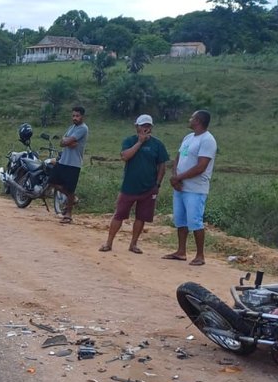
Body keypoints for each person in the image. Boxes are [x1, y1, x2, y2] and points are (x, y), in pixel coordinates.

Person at [100, 114, 168, 253]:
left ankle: (133, 244)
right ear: (136, 126)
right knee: (119, 214)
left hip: (148, 187)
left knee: (141, 217)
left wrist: (157, 184)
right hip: (129, 186)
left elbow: (162, 165)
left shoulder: (158, 145)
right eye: (143, 125)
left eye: (148, 126)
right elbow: (125, 156)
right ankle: (109, 243)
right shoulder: (129, 141)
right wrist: (139, 143)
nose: (146, 128)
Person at [163, 110, 216, 265]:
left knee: (195, 220)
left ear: (198, 120)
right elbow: (179, 157)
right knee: (180, 219)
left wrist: (178, 178)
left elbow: (201, 167)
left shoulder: (207, 140)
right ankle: (181, 251)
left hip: (195, 188)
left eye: (192, 117)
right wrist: (175, 176)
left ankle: (200, 255)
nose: (189, 119)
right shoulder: (188, 138)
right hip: (180, 186)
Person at [52, 105, 88, 224]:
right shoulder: (71, 127)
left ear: (82, 116)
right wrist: (68, 141)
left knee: (70, 189)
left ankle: (68, 214)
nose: (75, 118)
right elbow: (63, 142)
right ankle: (73, 198)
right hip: (63, 161)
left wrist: (67, 141)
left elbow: (66, 141)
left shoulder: (83, 129)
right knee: (53, 182)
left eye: (77, 116)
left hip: (74, 163)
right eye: (73, 116)